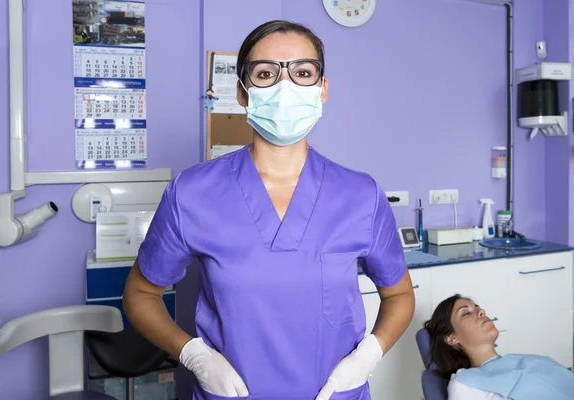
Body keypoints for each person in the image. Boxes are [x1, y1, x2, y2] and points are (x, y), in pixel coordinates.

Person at [123, 19, 415, 400]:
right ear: (243, 93)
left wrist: (368, 356)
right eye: (266, 74)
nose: (285, 87)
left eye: (303, 73)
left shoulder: (361, 194)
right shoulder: (193, 193)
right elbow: (140, 295)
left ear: (322, 90)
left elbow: (400, 295)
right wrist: (193, 355)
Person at [424, 294, 574, 400]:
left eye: (477, 308)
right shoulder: (465, 384)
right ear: (452, 338)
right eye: (466, 313)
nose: (481, 311)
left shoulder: (528, 360)